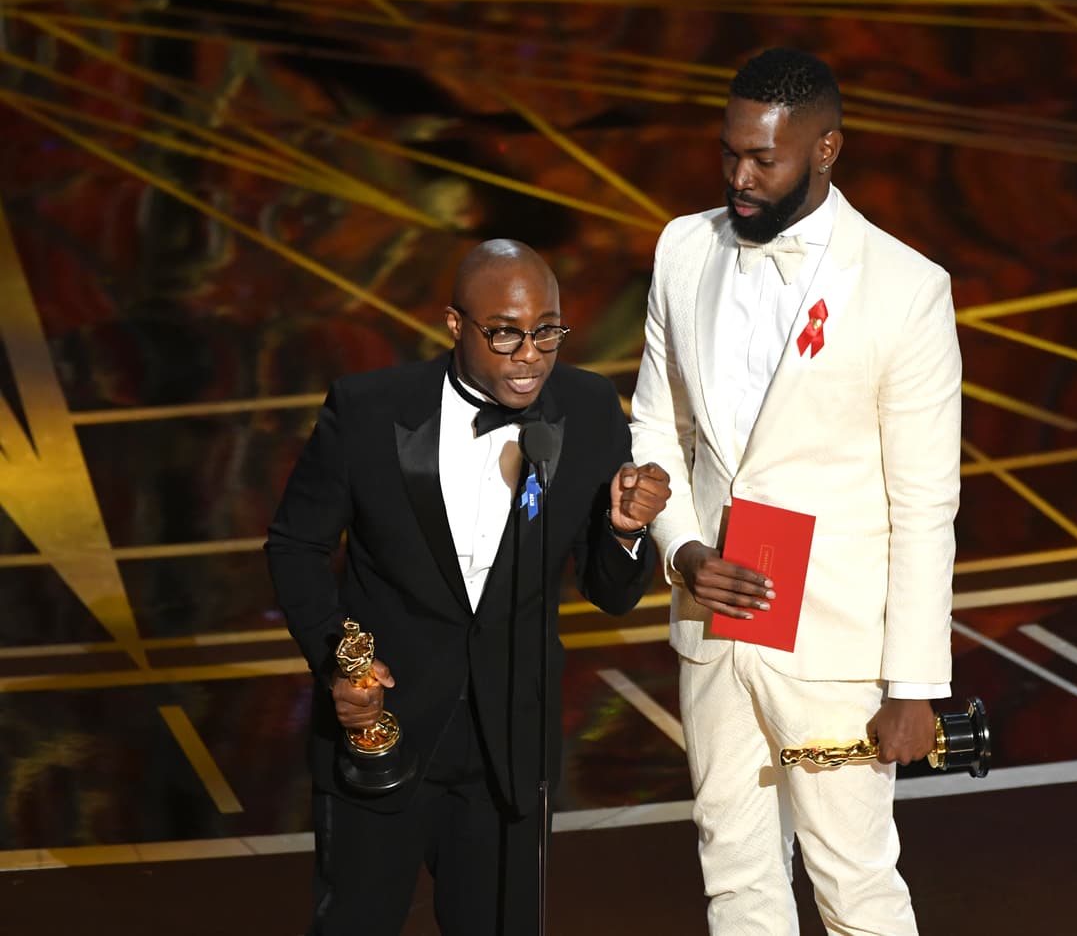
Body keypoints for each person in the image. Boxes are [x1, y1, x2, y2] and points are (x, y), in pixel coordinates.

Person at [629, 48, 961, 935]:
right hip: (715, 615)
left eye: (763, 159)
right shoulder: (682, 249)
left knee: (853, 882)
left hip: (835, 645)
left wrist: (916, 684)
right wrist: (685, 549)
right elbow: (658, 429)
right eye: (729, 152)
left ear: (825, 151)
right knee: (733, 873)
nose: (739, 176)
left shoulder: (907, 290)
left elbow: (926, 501)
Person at [266, 238, 671, 936]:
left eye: (547, 331)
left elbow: (611, 590)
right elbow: (295, 545)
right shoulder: (366, 410)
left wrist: (627, 530)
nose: (531, 356)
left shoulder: (588, 406)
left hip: (509, 751)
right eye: (506, 334)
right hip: (381, 735)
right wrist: (340, 657)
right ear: (456, 325)